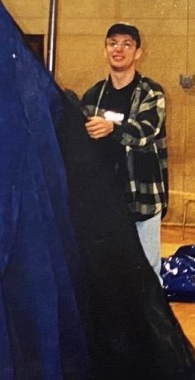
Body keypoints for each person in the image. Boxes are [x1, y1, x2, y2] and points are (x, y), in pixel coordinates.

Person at [82, 23, 168, 281]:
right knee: (106, 272)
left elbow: (145, 131)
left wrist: (112, 128)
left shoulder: (152, 92)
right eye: (112, 43)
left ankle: (152, 322)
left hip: (142, 199)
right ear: (105, 49)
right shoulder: (92, 97)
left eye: (127, 44)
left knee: (146, 272)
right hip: (104, 200)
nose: (118, 49)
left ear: (138, 52)